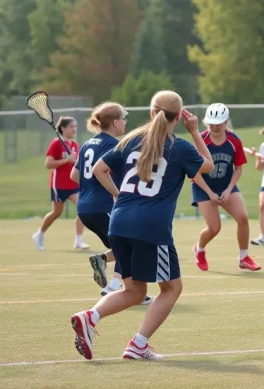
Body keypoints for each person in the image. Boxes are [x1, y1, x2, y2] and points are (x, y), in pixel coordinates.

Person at [70, 90, 214, 361]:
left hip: (120, 221)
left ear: (151, 112)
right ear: (179, 117)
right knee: (172, 288)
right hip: (151, 227)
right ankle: (138, 344)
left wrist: (117, 195)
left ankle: (90, 316)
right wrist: (195, 131)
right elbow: (208, 165)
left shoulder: (130, 139)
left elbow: (99, 169)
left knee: (135, 291)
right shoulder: (179, 146)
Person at [69, 102, 152, 305]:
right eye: (123, 118)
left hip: (85, 208)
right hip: (103, 206)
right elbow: (102, 172)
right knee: (130, 245)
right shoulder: (114, 145)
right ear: (115, 122)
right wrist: (117, 194)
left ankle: (106, 267)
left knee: (125, 247)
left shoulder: (88, 144)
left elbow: (74, 176)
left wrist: (90, 187)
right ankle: (118, 289)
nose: (125, 122)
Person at [191, 103, 261, 272]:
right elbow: (194, 173)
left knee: (243, 217)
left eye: (219, 122)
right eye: (212, 122)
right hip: (203, 188)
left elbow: (238, 168)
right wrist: (210, 193)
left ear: (226, 122)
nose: (215, 126)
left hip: (226, 185)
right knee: (215, 228)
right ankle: (199, 249)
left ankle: (244, 257)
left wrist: (229, 189)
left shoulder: (234, 141)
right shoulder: (201, 141)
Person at [32, 116, 89, 251]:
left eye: (75, 126)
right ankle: (39, 234)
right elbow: (48, 164)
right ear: (63, 128)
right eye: (71, 126)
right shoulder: (56, 143)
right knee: (57, 212)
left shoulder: (75, 145)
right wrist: (66, 160)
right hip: (59, 185)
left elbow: (76, 165)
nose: (74, 129)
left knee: (83, 207)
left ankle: (78, 240)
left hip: (73, 184)